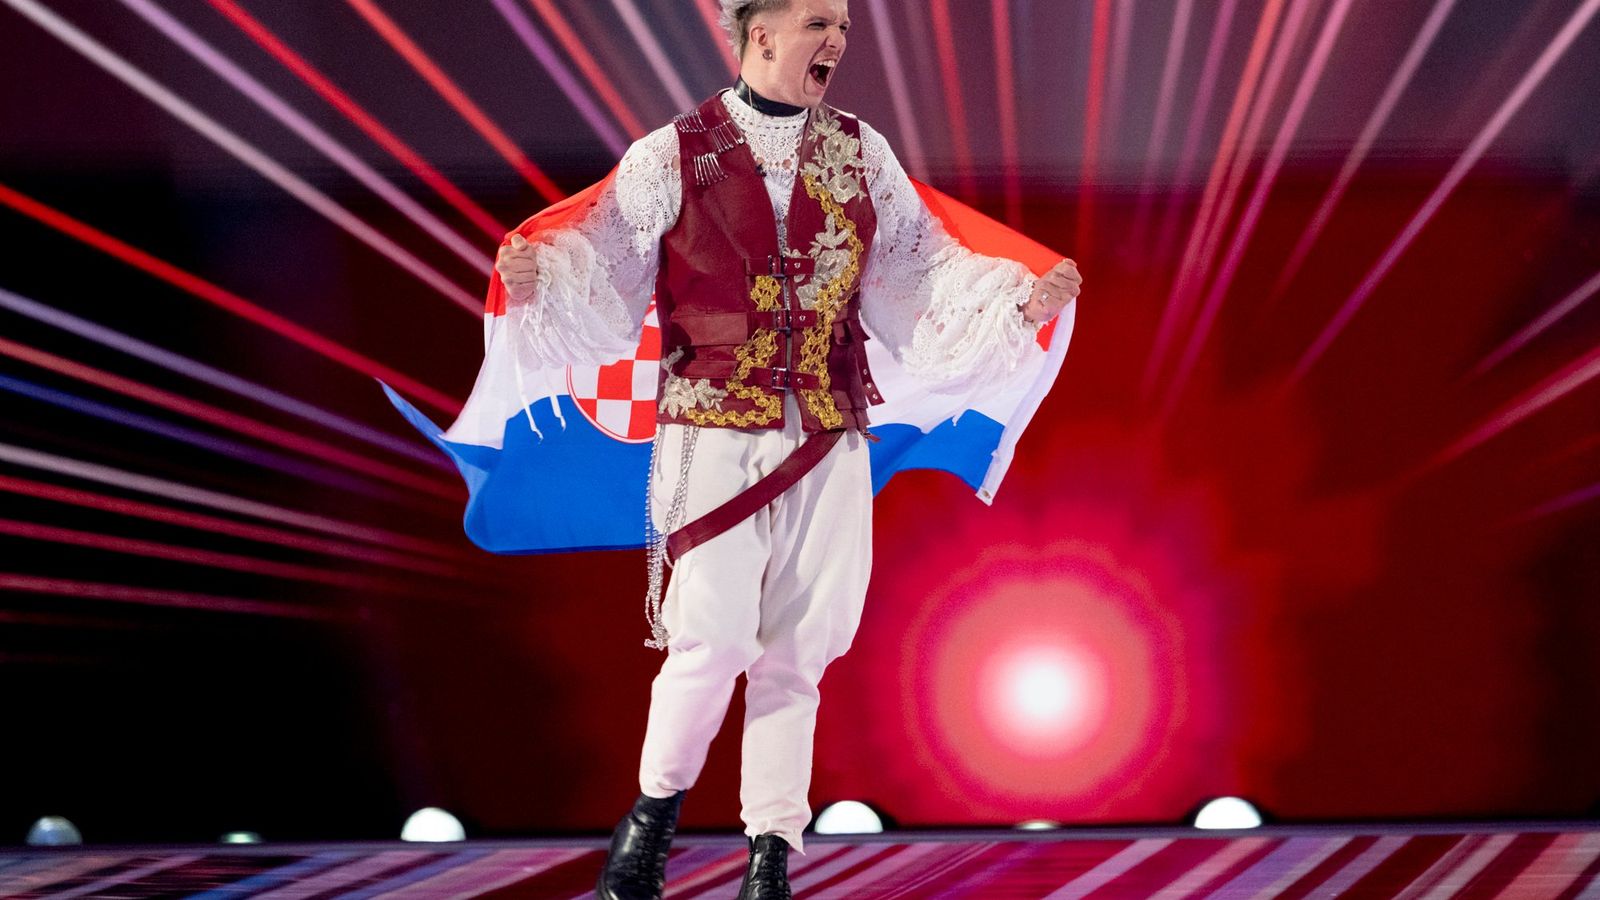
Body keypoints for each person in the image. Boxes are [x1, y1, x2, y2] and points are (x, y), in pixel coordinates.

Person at [493, 1, 1081, 896]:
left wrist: (1013, 303)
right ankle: (649, 824)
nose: (837, 39)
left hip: (829, 427)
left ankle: (772, 855)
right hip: (711, 426)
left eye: (842, 23)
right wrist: (547, 274)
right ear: (759, 34)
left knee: (800, 648)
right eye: (817, 21)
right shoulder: (671, 154)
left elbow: (920, 268)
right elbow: (603, 259)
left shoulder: (859, 150)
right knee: (713, 637)